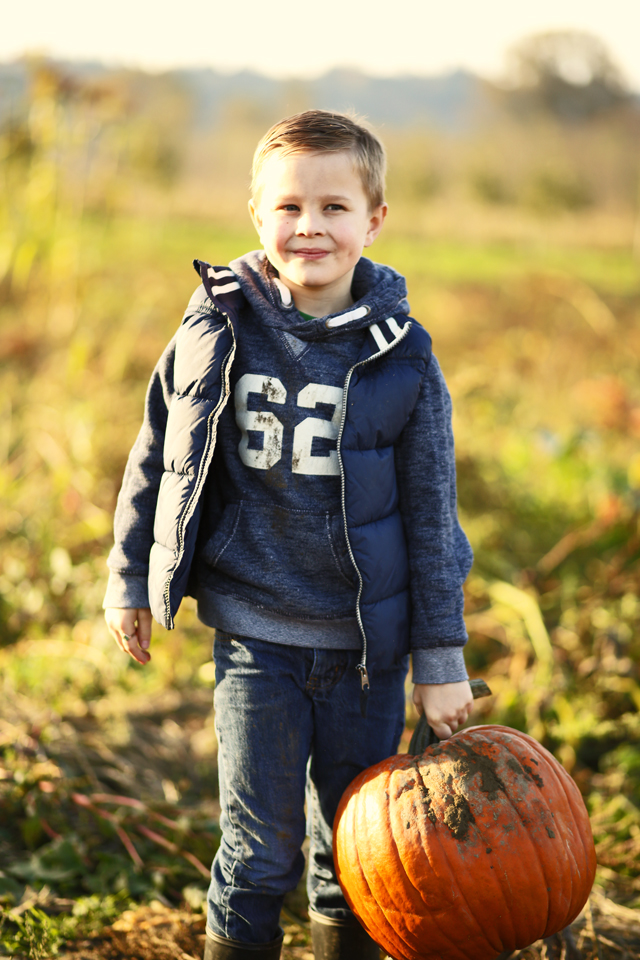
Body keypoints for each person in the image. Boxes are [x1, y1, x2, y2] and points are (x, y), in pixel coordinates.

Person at [104, 110, 474, 960]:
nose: (310, 226)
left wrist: (441, 661)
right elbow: (157, 458)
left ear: (374, 219)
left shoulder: (404, 355)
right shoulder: (214, 329)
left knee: (356, 852)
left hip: (365, 652)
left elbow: (431, 515)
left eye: (335, 208)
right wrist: (130, 579)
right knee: (257, 853)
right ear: (256, 215)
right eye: (290, 207)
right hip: (254, 638)